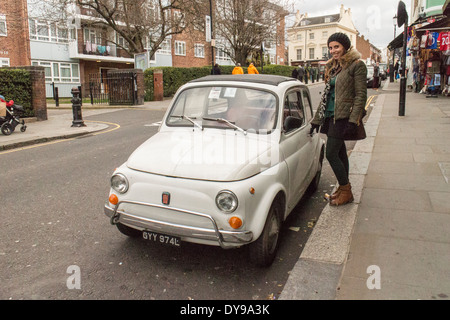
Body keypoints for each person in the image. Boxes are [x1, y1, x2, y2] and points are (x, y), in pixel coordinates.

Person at [310, 32, 367, 206]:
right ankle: (343, 190)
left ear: (345, 46)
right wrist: (316, 120)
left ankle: (346, 189)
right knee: (340, 152)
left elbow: (361, 95)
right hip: (330, 115)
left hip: (343, 117)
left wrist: (353, 120)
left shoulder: (357, 65)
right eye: (330, 47)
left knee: (331, 153)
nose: (333, 50)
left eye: (337, 46)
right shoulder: (335, 66)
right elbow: (327, 95)